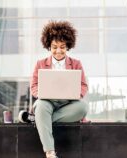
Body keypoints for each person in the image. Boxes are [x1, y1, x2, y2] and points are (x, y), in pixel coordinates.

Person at [20, 21, 88, 158]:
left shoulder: (76, 64)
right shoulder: (40, 64)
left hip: (68, 104)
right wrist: (42, 93)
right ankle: (50, 152)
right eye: (54, 47)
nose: (58, 51)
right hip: (47, 102)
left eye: (62, 47)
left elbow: (83, 85)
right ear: (49, 47)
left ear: (68, 46)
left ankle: (38, 119)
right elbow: (34, 85)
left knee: (83, 107)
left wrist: (76, 93)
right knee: (41, 105)